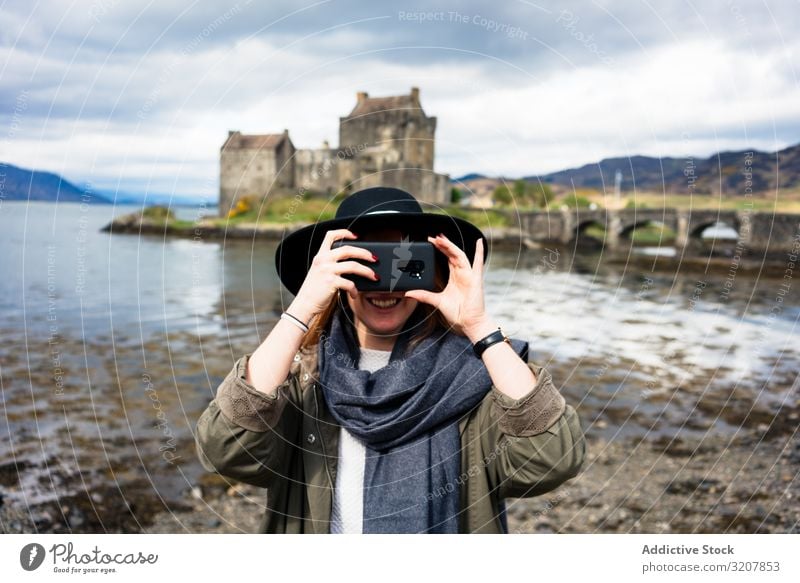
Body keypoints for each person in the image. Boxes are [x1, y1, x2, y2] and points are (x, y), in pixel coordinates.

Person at [195, 186, 585, 534]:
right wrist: (301, 311)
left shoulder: (472, 379)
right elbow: (224, 449)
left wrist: (480, 329)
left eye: (403, 262)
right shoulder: (302, 379)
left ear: (430, 270)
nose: (385, 284)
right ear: (336, 276)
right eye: (364, 263)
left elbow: (553, 459)